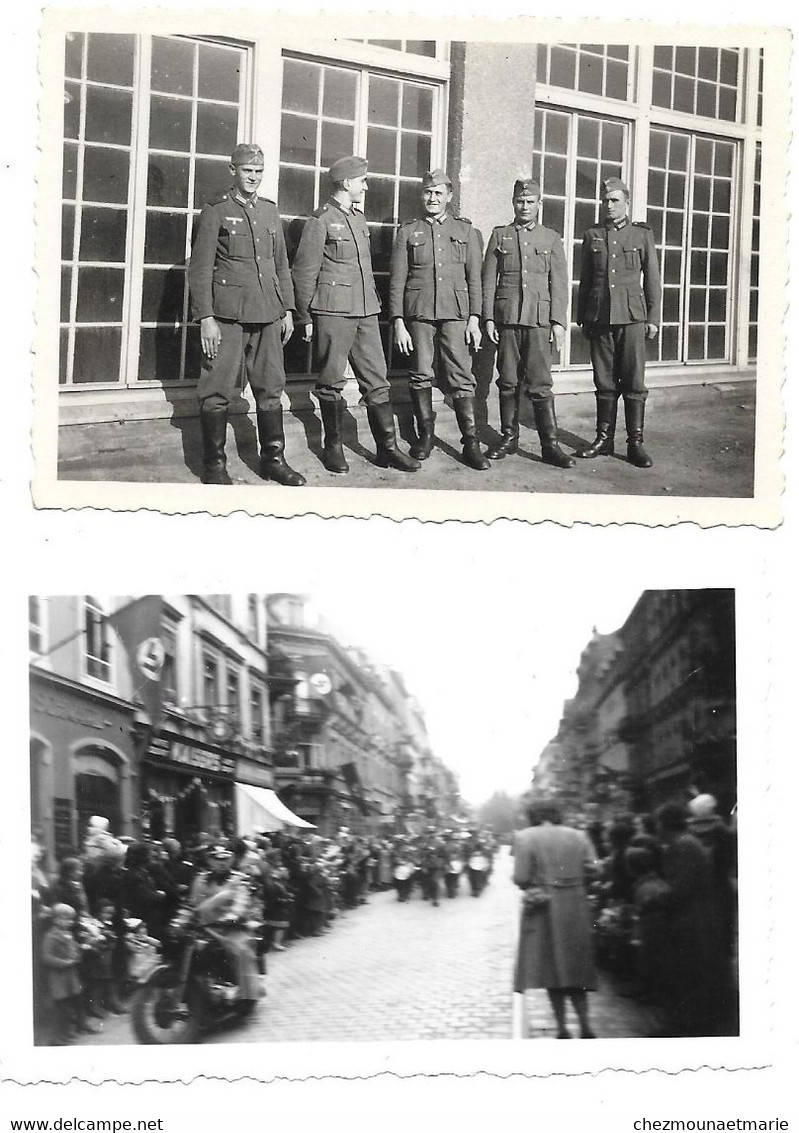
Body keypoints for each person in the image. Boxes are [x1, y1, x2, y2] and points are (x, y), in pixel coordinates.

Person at [291, 155, 419, 475]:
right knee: (331, 381)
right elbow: (304, 272)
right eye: (362, 180)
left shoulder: (359, 219)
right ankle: (333, 446)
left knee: (377, 380)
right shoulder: (320, 220)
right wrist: (305, 317)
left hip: (366, 310)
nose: (366, 185)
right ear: (347, 184)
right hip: (333, 309)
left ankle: (387, 449)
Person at [187, 142, 305, 487]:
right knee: (217, 389)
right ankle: (215, 465)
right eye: (247, 171)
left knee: (270, 387)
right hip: (227, 317)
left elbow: (280, 265)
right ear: (233, 171)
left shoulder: (270, 212)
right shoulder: (216, 211)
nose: (253, 177)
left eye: (258, 172)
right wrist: (206, 318)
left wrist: (286, 309)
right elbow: (200, 269)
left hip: (268, 314)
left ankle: (273, 460)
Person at [389, 170, 489, 470]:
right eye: (427, 193)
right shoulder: (409, 231)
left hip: (456, 314)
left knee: (461, 375)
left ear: (449, 197)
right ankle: (426, 437)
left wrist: (474, 318)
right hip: (419, 312)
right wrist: (397, 321)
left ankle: (470, 443)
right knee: (420, 373)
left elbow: (475, 280)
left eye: (438, 193)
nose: (432, 198)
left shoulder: (468, 232)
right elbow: (397, 280)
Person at [481, 178, 574, 469]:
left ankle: (550, 446)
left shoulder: (550, 238)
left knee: (540, 384)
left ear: (539, 205)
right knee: (507, 381)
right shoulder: (501, 235)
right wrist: (488, 318)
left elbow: (559, 284)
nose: (525, 206)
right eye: (520, 201)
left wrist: (558, 321)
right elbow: (488, 282)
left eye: (530, 202)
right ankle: (509, 437)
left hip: (538, 321)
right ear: (513, 203)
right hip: (507, 319)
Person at [575, 176, 662, 468]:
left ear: (626, 203)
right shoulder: (593, 234)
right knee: (604, 381)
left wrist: (653, 317)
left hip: (632, 317)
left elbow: (652, 278)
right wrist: (582, 317)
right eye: (605, 200)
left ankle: (635, 443)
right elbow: (586, 279)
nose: (609, 205)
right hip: (599, 316)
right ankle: (603, 439)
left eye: (614, 200)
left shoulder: (640, 235)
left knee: (634, 381)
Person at [513, 798, 598, 1039]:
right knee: (576, 966)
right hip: (576, 906)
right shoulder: (579, 836)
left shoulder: (524, 837)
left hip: (544, 909)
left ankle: (562, 1028)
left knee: (551, 969)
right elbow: (595, 869)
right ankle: (585, 1023)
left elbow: (521, 877)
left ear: (533, 816)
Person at [188, 844, 263, 1003]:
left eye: (225, 859)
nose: (221, 863)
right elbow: (193, 901)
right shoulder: (200, 879)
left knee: (240, 950)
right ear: (210, 860)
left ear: (231, 860)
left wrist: (233, 916)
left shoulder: (239, 879)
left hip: (230, 927)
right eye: (217, 859)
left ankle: (246, 992)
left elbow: (242, 902)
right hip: (204, 927)